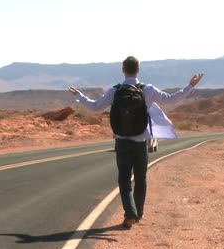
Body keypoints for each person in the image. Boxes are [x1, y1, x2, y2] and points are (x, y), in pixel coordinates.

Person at [68, 56, 204, 229]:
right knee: (141, 178)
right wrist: (190, 85)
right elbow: (172, 98)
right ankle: (137, 213)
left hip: (122, 142)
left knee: (124, 179)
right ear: (138, 70)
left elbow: (95, 106)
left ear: (122, 70)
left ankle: (130, 213)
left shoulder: (115, 91)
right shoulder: (147, 90)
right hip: (141, 141)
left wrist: (79, 95)